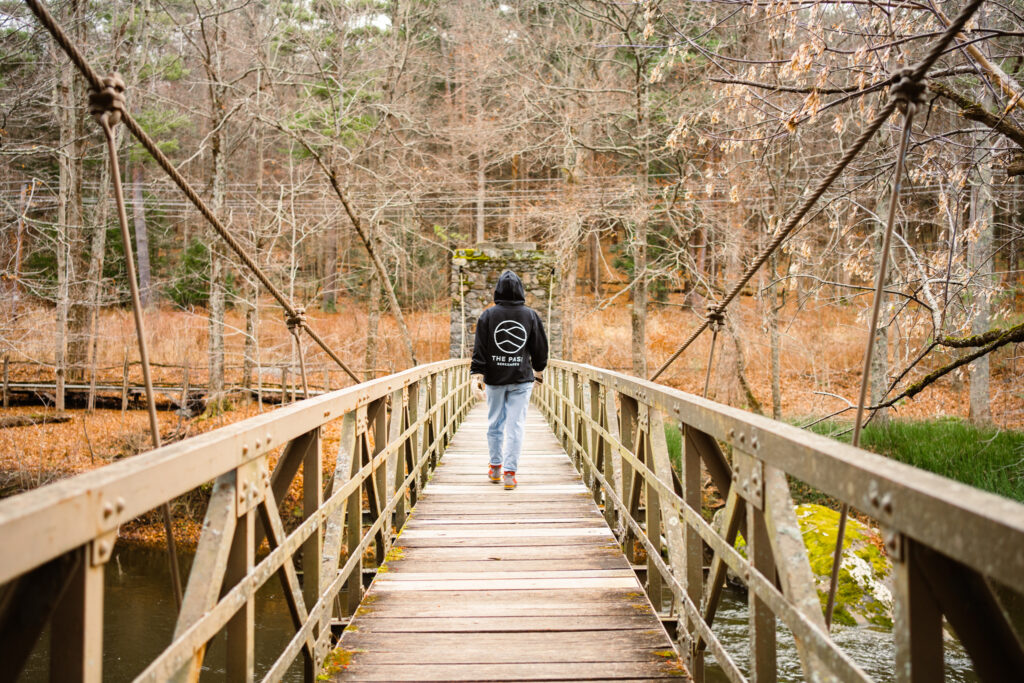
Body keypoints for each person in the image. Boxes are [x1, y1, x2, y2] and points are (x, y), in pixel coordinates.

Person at [470, 270, 549, 490]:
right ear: (520, 290)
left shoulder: (487, 316)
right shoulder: (530, 315)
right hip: (522, 379)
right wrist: (539, 370)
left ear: (498, 290)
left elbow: (480, 348)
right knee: (516, 425)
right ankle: (510, 474)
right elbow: (540, 347)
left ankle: (495, 467)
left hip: (494, 379)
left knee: (495, 422)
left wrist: (476, 374)